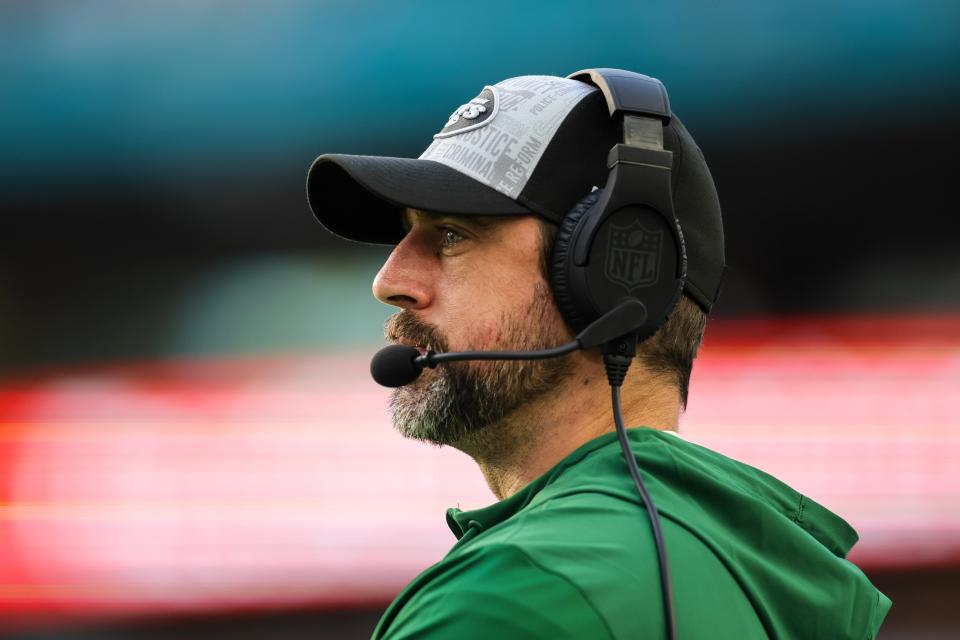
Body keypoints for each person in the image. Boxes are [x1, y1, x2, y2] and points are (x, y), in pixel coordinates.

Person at [306, 70, 891, 639]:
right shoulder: (754, 566)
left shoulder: (506, 597)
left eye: (452, 234)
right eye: (408, 233)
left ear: (614, 278)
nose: (390, 279)